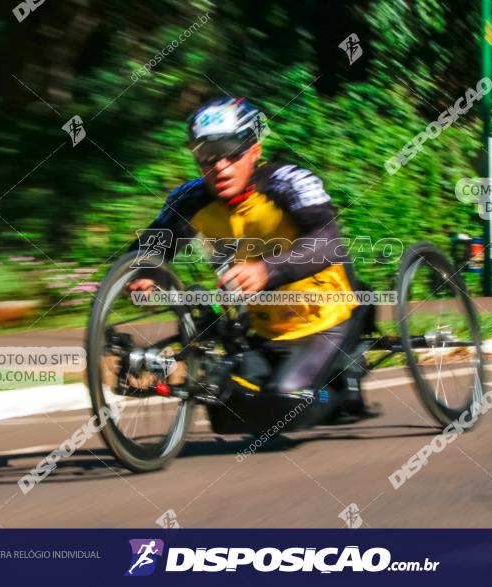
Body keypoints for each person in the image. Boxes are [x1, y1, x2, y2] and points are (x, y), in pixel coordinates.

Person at [128, 97, 375, 420]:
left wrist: (267, 269)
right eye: (206, 155)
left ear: (254, 150)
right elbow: (149, 247)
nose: (220, 165)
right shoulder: (190, 199)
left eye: (232, 152)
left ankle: (343, 383)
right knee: (227, 409)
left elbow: (329, 242)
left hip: (325, 319)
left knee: (286, 405)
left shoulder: (288, 181)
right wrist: (144, 270)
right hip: (261, 330)